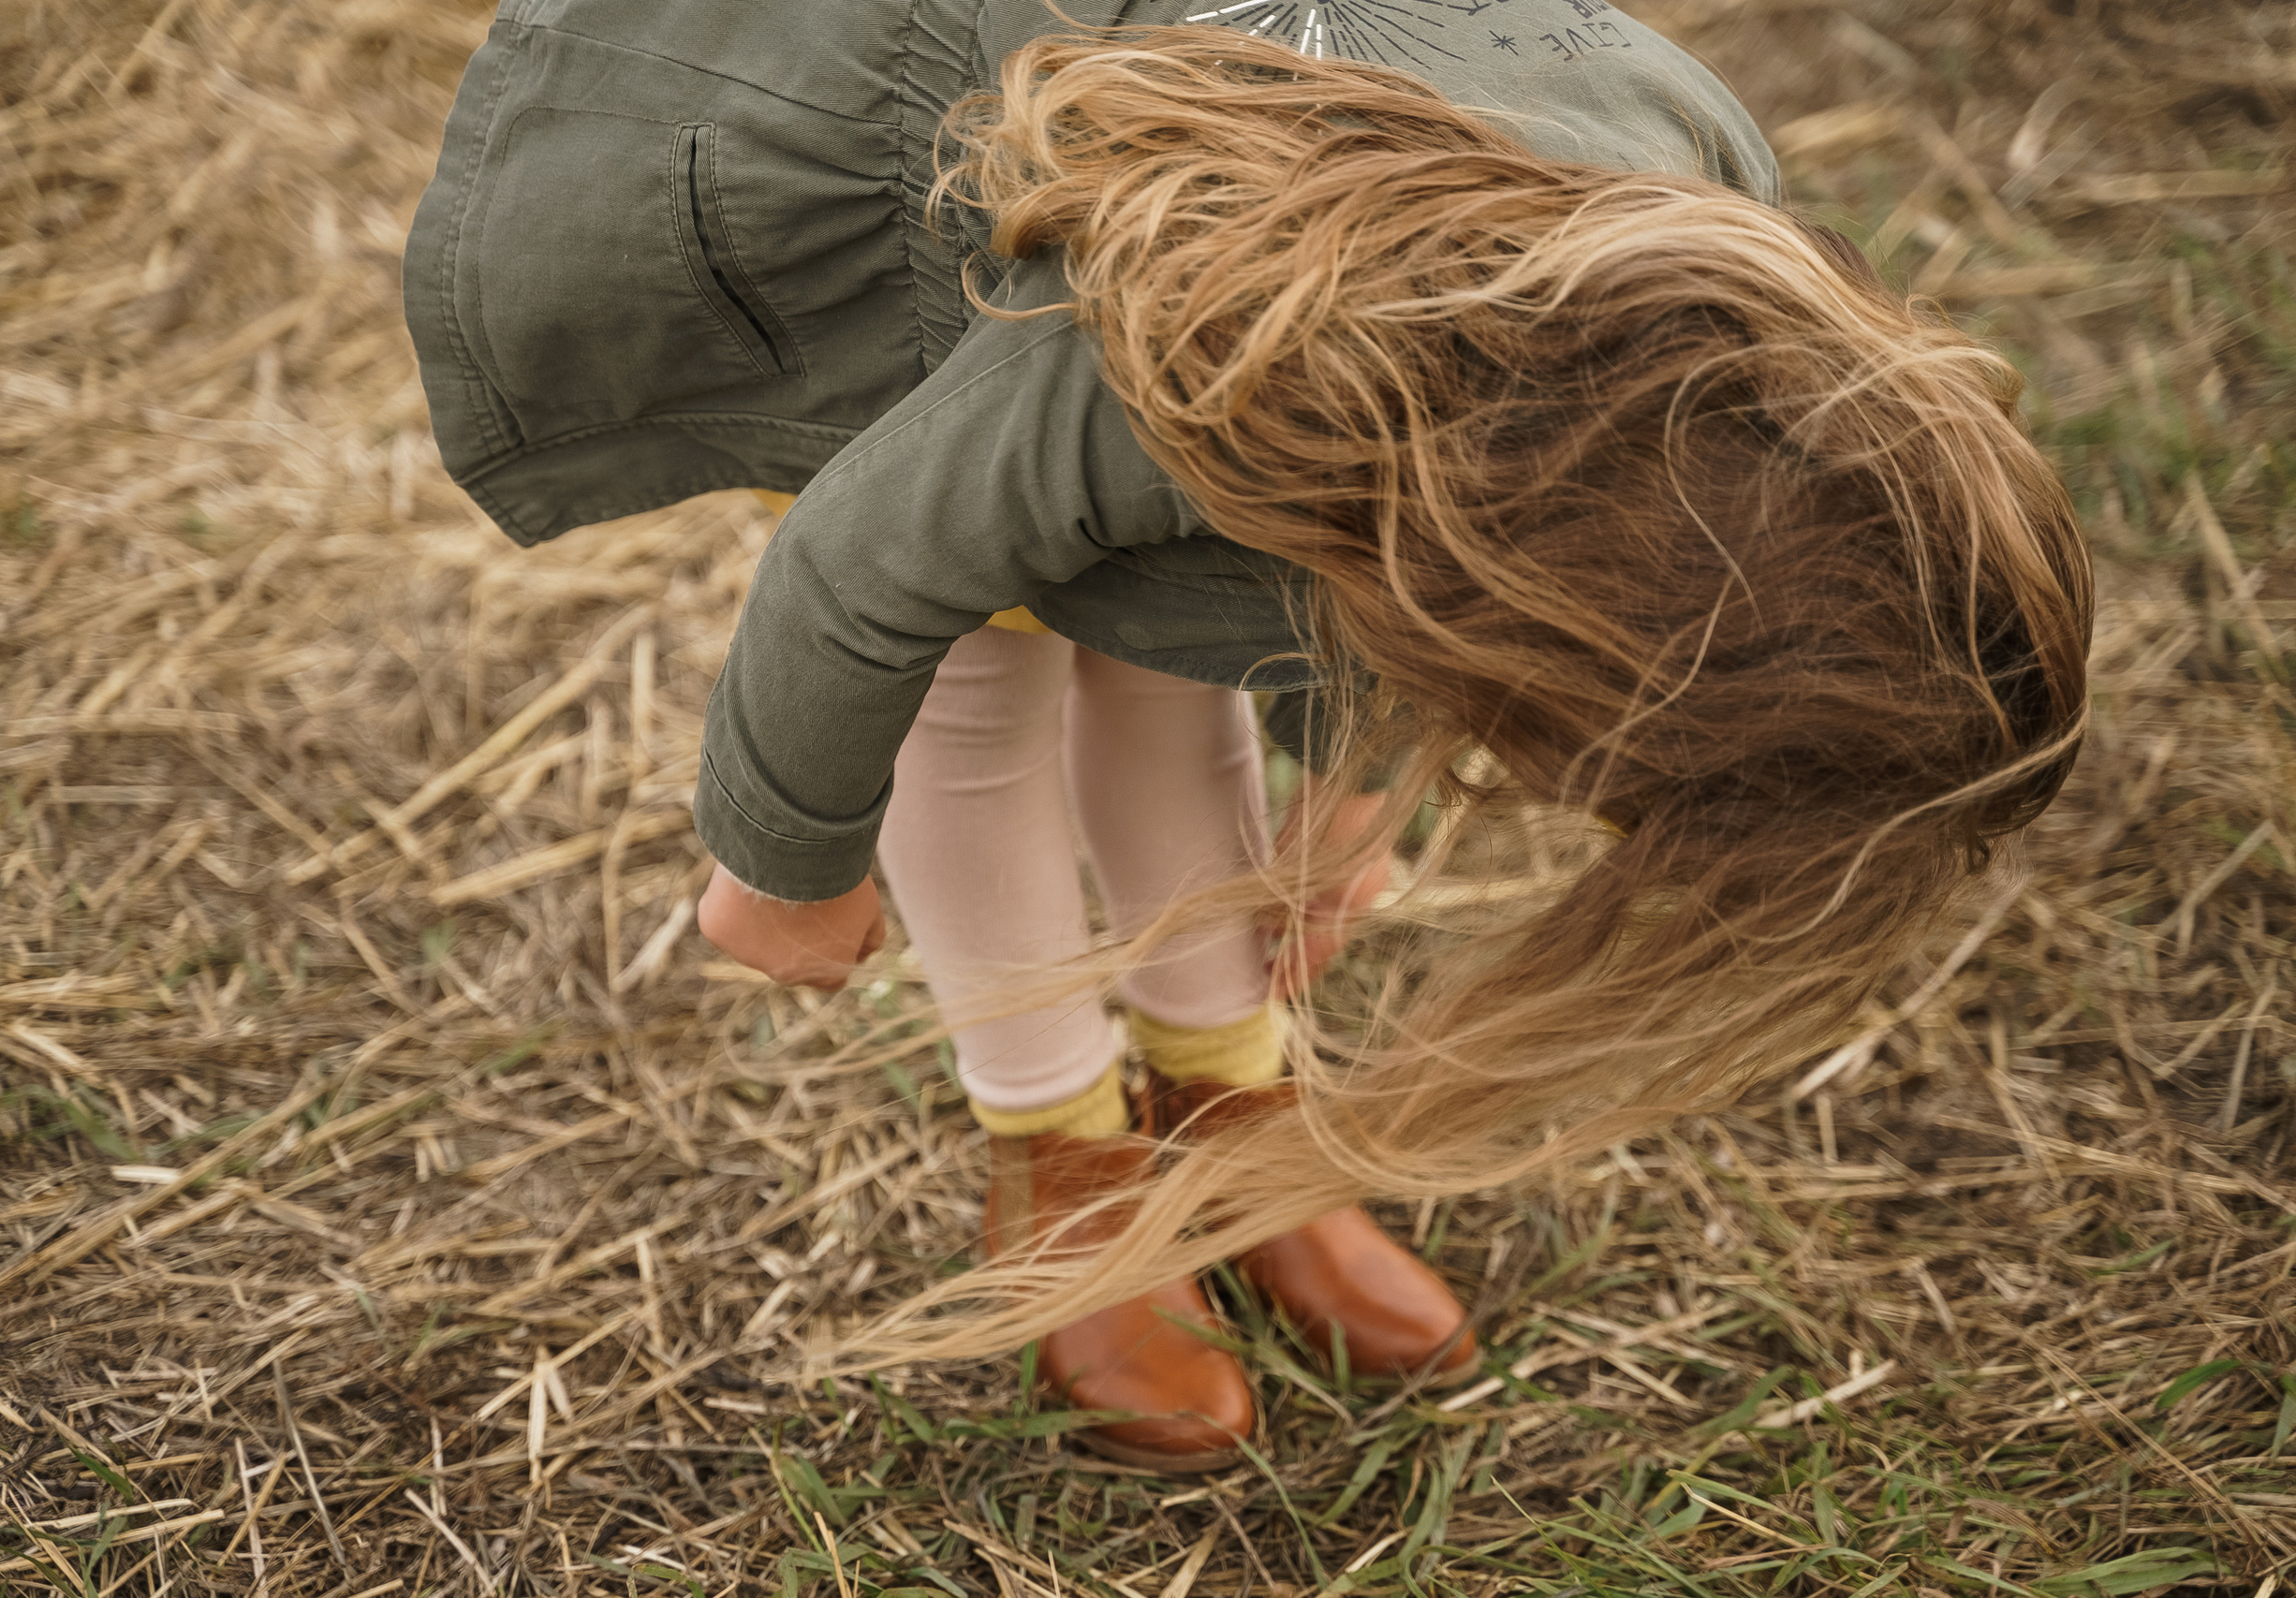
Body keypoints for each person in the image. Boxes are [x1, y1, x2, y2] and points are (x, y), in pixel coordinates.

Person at [406, 0, 2092, 1473]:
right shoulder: (1168, 356)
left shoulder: (1714, 308)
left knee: (1172, 659)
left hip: (1253, 306)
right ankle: (1060, 1152)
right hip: (938, 175)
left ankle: (1224, 1105)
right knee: (981, 678)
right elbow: (857, 575)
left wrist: (1349, 804)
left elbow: (1409, 586)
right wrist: (783, 862)